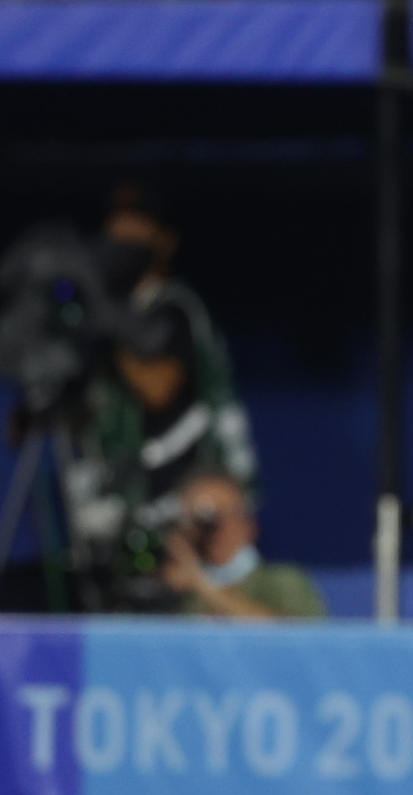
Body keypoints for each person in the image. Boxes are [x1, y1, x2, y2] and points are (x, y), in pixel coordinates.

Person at [73, 182, 259, 596]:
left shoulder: (175, 306)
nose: (120, 248)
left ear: (164, 242)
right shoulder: (104, 318)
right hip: (128, 509)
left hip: (196, 510)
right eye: (114, 236)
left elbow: (157, 388)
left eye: (134, 237)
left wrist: (104, 314)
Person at [160, 468, 324, 619]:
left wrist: (203, 586)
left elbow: (298, 640)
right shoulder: (175, 587)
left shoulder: (281, 581)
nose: (205, 532)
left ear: (246, 525)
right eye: (194, 520)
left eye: (212, 519)